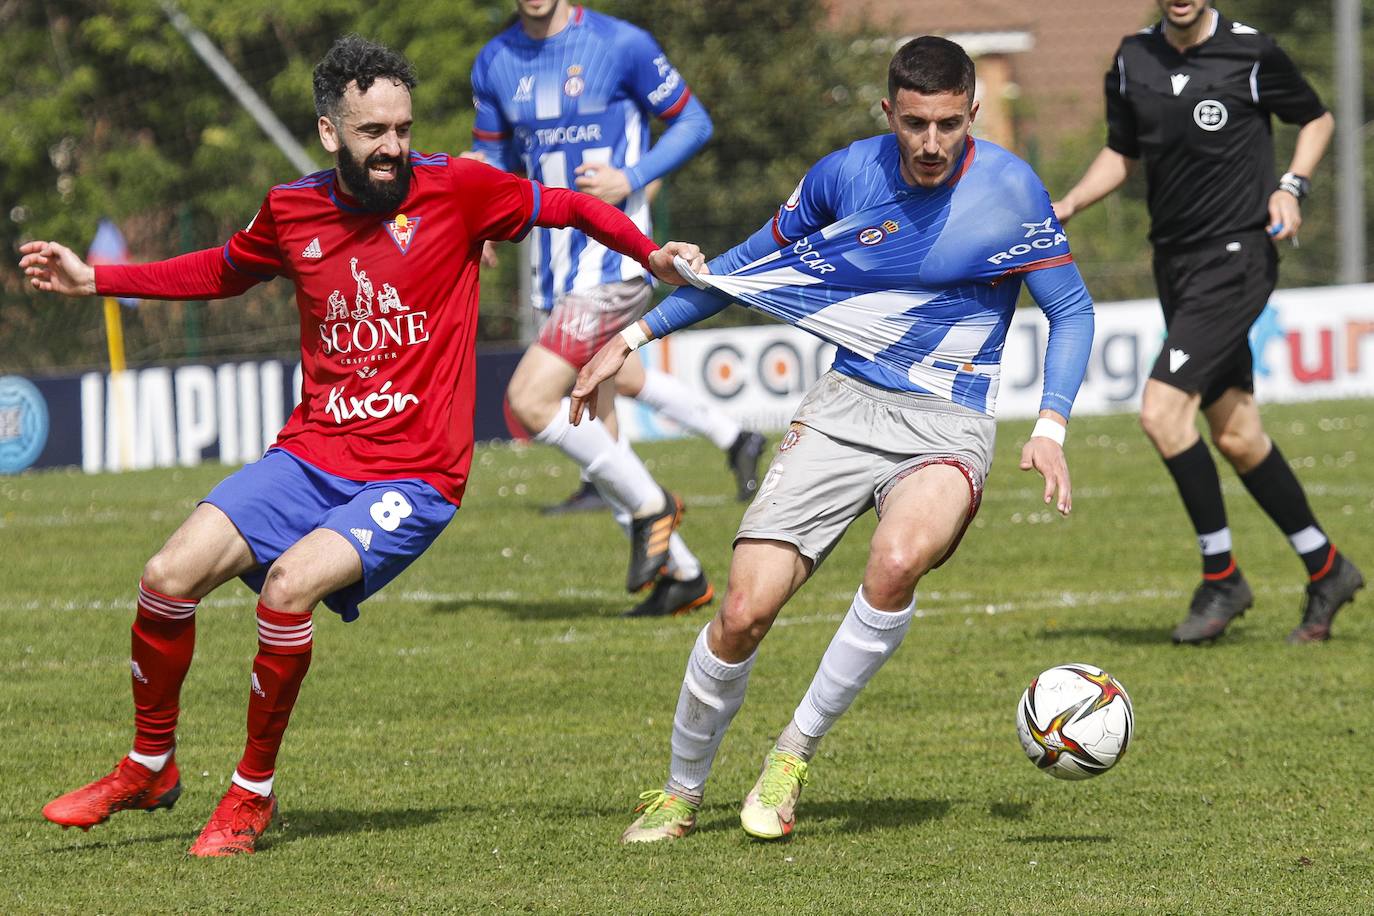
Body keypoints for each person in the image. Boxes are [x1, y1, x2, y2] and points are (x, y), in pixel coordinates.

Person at [19, 35, 702, 857]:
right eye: (374, 131)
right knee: (167, 575)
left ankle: (250, 794)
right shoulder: (290, 209)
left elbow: (571, 206)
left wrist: (650, 253)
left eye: (402, 128)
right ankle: (149, 765)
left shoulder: (458, 190)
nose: (393, 148)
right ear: (329, 133)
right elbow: (220, 272)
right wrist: (99, 279)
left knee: (288, 589)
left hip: (417, 477)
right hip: (308, 456)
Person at [569, 36, 1095, 842]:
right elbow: (744, 271)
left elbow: (1072, 309)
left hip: (947, 423)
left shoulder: (1012, 191)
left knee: (895, 560)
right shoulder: (844, 176)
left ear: (972, 114)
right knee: (743, 610)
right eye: (914, 123)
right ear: (888, 112)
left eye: (948, 125)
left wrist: (1050, 424)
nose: (930, 144)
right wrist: (633, 339)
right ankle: (679, 792)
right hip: (845, 408)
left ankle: (791, 756)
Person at [1053, 0, 1362, 644]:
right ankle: (1326, 568)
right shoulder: (1131, 58)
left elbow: (1316, 118)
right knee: (1239, 436)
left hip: (1237, 258)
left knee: (1162, 412)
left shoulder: (1252, 52)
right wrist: (1072, 203)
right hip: (1175, 265)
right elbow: (1121, 152)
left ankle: (1221, 575)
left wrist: (1292, 186)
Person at [468, 0, 764, 617]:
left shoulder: (621, 44)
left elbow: (694, 123)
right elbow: (492, 162)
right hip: (552, 272)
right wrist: (481, 224)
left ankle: (655, 504)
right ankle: (682, 574)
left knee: (527, 399)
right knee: (594, 421)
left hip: (613, 266)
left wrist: (632, 175)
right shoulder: (495, 62)